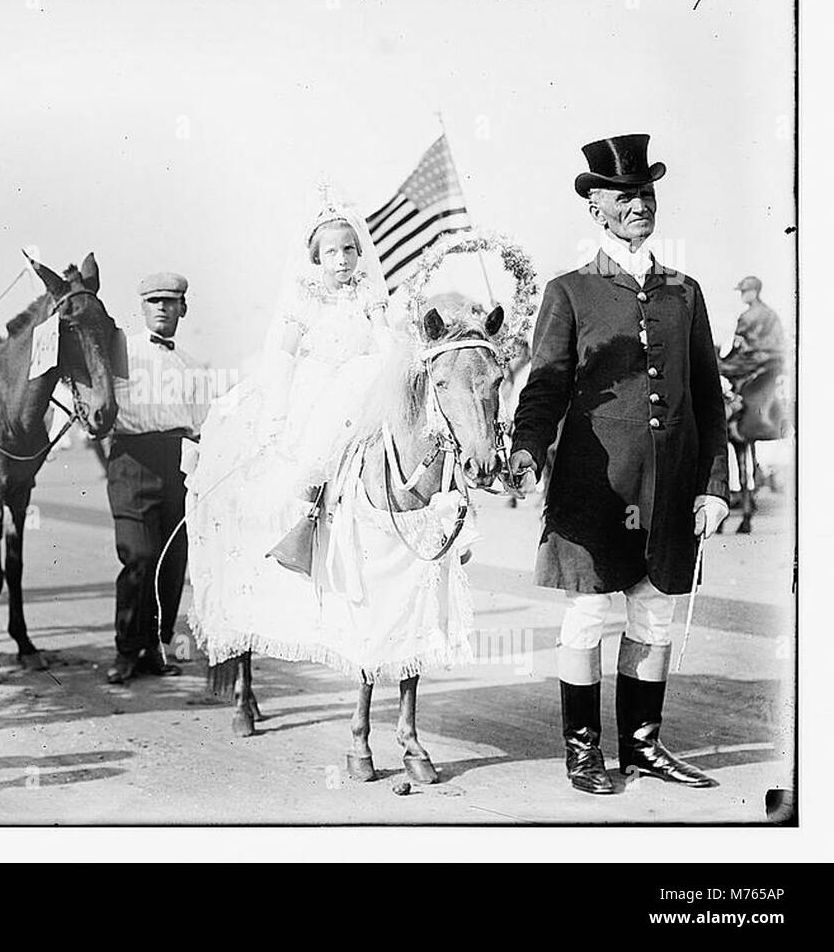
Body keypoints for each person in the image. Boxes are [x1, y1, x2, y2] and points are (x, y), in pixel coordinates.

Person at [507, 133, 730, 795]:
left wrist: (714, 486)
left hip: (668, 485)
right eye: (626, 196)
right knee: (585, 617)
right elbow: (544, 383)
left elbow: (708, 397)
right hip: (592, 485)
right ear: (596, 208)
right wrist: (525, 446)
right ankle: (583, 750)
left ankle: (641, 747)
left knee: (653, 613)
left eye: (647, 193)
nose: (640, 205)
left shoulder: (683, 291)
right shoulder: (569, 291)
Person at [186, 195, 478, 683]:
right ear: (316, 258)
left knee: (418, 427)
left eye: (349, 250)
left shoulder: (369, 291)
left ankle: (450, 519)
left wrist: (397, 367)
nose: (342, 260)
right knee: (322, 439)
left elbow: (383, 338)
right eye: (331, 253)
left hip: (366, 377)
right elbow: (282, 358)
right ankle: (310, 508)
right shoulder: (304, 297)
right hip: (319, 381)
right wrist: (277, 412)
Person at [104, 272, 212, 684]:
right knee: (139, 556)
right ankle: (126, 651)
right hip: (131, 459)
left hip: (176, 461)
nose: (163, 308)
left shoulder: (189, 365)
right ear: (142, 307)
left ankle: (156, 646)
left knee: (171, 562)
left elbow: (201, 426)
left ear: (183, 308)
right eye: (154, 302)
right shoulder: (120, 353)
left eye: (170, 302)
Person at [720, 275, 786, 377]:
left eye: (744, 291)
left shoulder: (746, 317)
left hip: (753, 360)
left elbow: (737, 345)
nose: (742, 295)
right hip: (772, 357)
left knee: (718, 367)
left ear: (754, 292)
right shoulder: (771, 312)